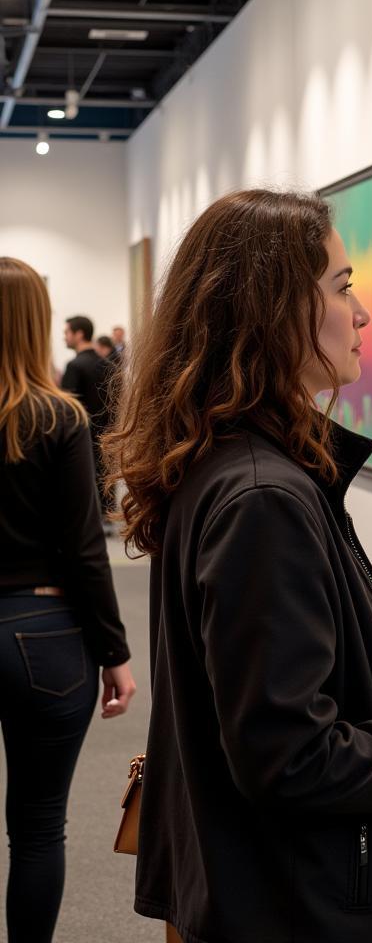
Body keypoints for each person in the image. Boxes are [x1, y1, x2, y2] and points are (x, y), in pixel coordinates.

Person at [103, 189, 372, 943]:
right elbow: (288, 755)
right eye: (343, 289)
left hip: (272, 885)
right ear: (274, 311)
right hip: (301, 903)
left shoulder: (244, 469)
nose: (361, 314)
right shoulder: (262, 498)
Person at [0, 256, 136, 943]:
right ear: (39, 325)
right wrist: (114, 652)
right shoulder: (59, 417)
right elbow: (86, 549)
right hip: (45, 635)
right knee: (37, 826)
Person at [61, 314, 113, 507]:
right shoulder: (108, 364)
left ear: (79, 334)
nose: (64, 337)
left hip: (82, 435)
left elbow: (66, 409)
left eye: (67, 332)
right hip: (106, 432)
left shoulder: (74, 366)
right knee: (104, 477)